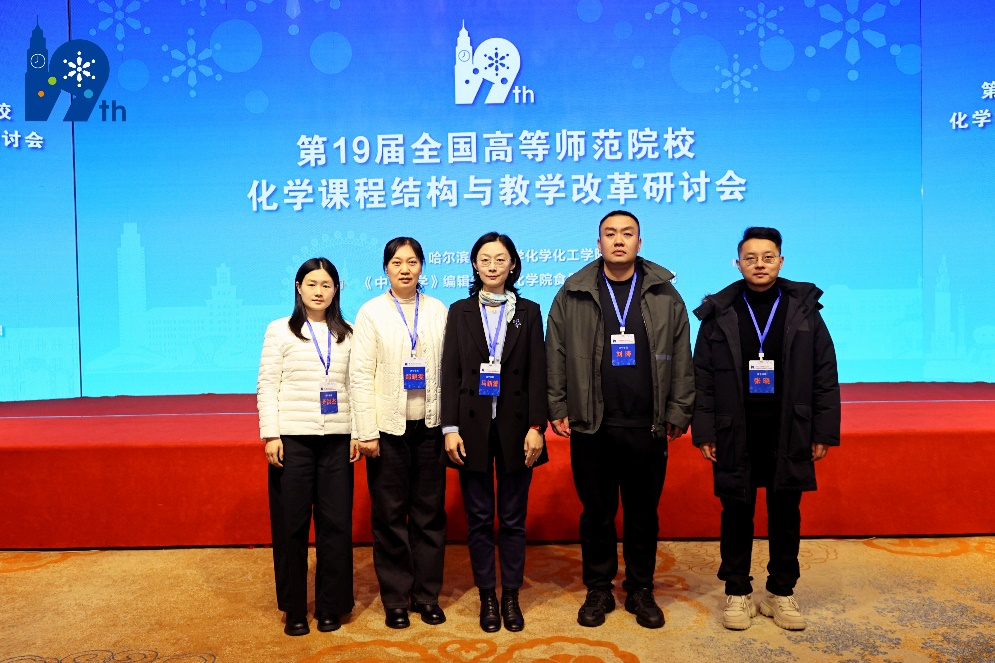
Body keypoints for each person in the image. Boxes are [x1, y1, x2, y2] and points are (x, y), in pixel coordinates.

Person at [546, 210, 695, 630]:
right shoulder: (573, 292)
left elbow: (682, 356)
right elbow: (555, 352)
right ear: (598, 243)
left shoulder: (665, 294)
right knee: (597, 513)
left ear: (639, 243)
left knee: (643, 513)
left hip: (647, 424)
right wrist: (557, 405)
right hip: (593, 423)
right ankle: (598, 588)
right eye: (610, 234)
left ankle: (641, 588)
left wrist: (679, 410)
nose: (618, 240)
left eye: (627, 234)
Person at [691, 227, 840, 631]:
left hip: (788, 429)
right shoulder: (719, 312)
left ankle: (780, 592)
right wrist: (704, 430)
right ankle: (737, 591)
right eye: (751, 258)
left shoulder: (803, 310)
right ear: (737, 263)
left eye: (768, 257)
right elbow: (702, 377)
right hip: (734, 429)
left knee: (786, 514)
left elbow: (825, 373)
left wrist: (823, 431)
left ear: (781, 261)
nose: (759, 264)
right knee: (736, 513)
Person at [440, 232, 548, 633]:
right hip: (471, 429)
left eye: (500, 259)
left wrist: (537, 426)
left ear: (513, 265)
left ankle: (511, 596)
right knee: (480, 518)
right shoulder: (460, 311)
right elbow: (450, 372)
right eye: (484, 259)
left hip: (517, 429)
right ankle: (488, 595)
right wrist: (450, 428)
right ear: (474, 264)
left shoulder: (529, 311)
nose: (492, 266)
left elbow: (538, 372)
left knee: (514, 518)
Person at [257, 257, 360, 637]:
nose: (319, 291)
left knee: (336, 526)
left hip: (337, 441)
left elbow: (355, 386)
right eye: (312, 284)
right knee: (291, 527)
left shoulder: (348, 333)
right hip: (293, 441)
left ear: (337, 290)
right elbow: (267, 384)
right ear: (298, 287)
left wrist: (357, 432)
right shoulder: (280, 330)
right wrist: (271, 434)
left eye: (326, 285)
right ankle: (295, 609)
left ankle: (331, 606)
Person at [350, 237, 449, 629]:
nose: (405, 269)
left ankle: (426, 596)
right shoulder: (371, 312)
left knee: (429, 515)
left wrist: (450, 425)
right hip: (387, 430)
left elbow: (450, 368)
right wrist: (366, 431)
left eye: (412, 261)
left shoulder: (438, 309)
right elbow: (360, 375)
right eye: (396, 262)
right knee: (389, 516)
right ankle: (395, 599)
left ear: (422, 266)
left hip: (430, 427)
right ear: (385, 268)